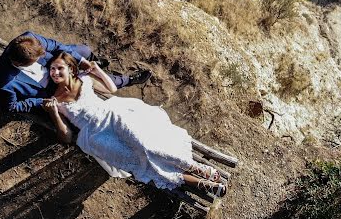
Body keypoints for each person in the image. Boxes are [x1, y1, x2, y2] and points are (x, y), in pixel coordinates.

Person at [43, 51, 227, 197]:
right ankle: (198, 183)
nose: (55, 73)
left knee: (146, 146)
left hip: (112, 115)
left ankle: (194, 167)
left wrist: (97, 71)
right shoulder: (55, 101)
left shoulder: (83, 79)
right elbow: (66, 137)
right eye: (52, 69)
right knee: (139, 162)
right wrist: (53, 114)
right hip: (95, 137)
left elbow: (112, 89)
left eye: (59, 68)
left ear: (71, 68)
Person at [0, 31, 151, 114]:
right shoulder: (3, 82)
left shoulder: (29, 38)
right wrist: (42, 101)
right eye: (36, 61)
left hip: (58, 63)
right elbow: (11, 107)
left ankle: (95, 62)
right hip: (52, 90)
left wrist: (81, 62)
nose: (42, 56)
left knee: (85, 51)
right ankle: (128, 80)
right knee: (96, 81)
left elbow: (57, 46)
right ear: (19, 64)